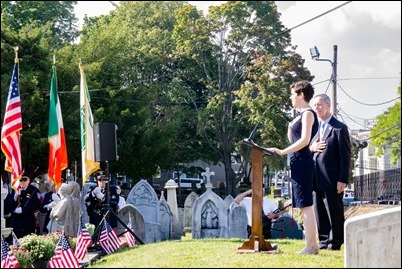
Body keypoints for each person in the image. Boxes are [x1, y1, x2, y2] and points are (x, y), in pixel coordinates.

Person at [267, 80, 319, 255]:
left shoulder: (308, 114)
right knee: (302, 204)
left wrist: (282, 152)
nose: (290, 97)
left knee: (306, 205)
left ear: (301, 95)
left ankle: (312, 246)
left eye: (292, 94)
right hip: (297, 162)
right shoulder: (300, 115)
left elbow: (304, 140)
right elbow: (294, 137)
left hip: (303, 162)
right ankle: (311, 245)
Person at [310, 93, 351, 251]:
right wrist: (311, 147)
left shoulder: (339, 128)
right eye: (315, 105)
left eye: (320, 105)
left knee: (333, 210)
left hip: (333, 179)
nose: (317, 108)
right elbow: (307, 147)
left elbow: (345, 156)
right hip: (315, 178)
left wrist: (343, 179)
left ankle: (335, 242)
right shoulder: (314, 128)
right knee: (319, 210)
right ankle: (323, 240)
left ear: (328, 105)